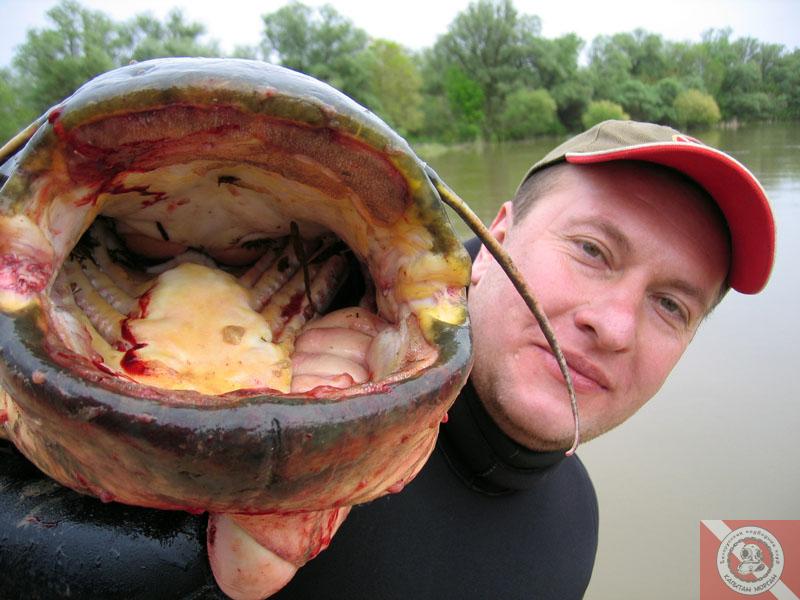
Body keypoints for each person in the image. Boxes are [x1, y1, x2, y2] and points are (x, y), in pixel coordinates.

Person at [0, 120, 775, 599]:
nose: (614, 325)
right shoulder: (248, 336)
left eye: (671, 305)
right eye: (593, 251)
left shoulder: (579, 518)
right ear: (498, 233)